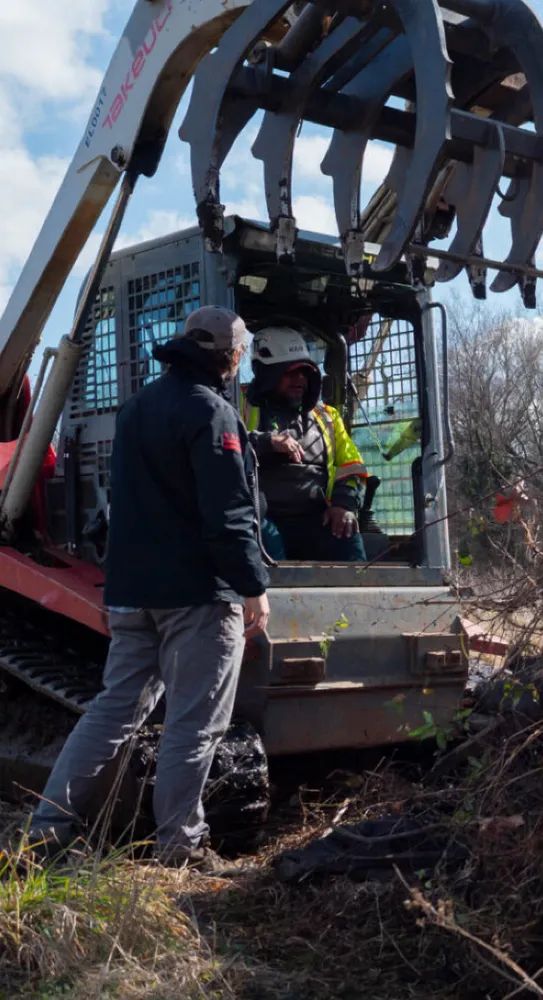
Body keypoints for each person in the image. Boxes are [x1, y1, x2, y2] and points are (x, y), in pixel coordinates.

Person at [28, 306, 270, 869]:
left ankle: (46, 832)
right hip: (196, 595)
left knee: (112, 713)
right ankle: (181, 847)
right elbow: (228, 512)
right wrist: (252, 585)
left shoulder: (137, 408)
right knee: (195, 723)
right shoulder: (212, 412)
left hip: (132, 591)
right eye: (240, 351)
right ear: (231, 355)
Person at [239, 326, 369, 562]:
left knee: (347, 536)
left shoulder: (327, 417)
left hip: (316, 518)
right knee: (264, 540)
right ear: (267, 373)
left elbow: (352, 467)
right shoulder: (239, 406)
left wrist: (342, 505)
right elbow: (223, 446)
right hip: (262, 518)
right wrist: (267, 442)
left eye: (305, 372)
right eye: (290, 372)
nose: (300, 379)